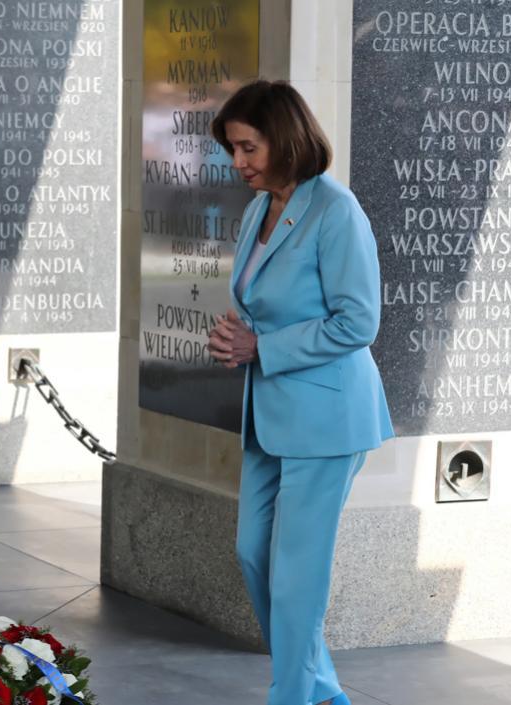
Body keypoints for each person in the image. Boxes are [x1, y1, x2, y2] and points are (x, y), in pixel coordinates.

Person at [207, 80, 393, 705]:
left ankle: (293, 697)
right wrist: (240, 334)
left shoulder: (337, 211)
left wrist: (263, 348)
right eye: (234, 150)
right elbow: (265, 300)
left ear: (284, 139)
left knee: (296, 579)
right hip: (269, 413)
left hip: (326, 417)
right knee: (252, 554)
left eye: (248, 148)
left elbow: (358, 321)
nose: (238, 163)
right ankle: (322, 691)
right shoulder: (260, 207)